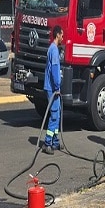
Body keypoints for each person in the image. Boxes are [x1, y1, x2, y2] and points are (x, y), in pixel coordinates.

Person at [42, 25, 64, 154]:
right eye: (62, 34)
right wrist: (57, 87)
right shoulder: (54, 50)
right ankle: (47, 142)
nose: (63, 37)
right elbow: (55, 71)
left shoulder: (52, 48)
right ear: (57, 35)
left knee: (57, 113)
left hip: (50, 87)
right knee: (54, 116)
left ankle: (55, 142)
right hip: (52, 88)